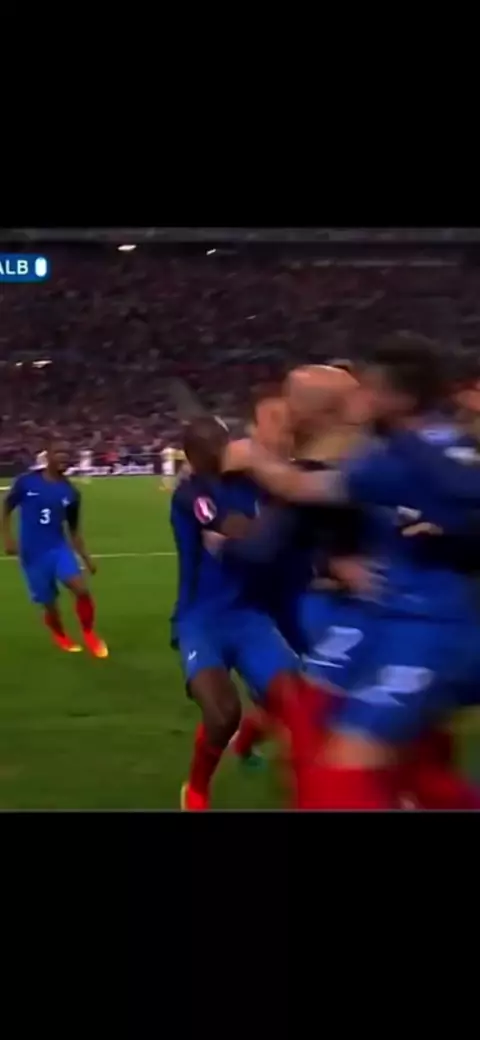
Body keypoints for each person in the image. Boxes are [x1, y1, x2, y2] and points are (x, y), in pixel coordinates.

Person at [223, 336, 480, 809]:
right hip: (393, 620)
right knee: (395, 764)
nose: (358, 396)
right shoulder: (407, 450)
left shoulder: (412, 455)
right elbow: (310, 490)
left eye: (367, 387)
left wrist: (253, 461)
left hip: (430, 631)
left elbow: (289, 509)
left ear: (397, 397)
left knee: (340, 772)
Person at [170, 416, 324, 811]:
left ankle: (265, 758)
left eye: (223, 442)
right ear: (194, 456)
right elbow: (236, 527)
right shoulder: (189, 494)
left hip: (249, 616)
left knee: (295, 706)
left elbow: (298, 488)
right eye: (214, 447)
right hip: (201, 620)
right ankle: (196, 788)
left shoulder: (250, 482)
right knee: (222, 714)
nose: (224, 451)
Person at [2, 440, 108, 659]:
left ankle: (89, 634)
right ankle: (60, 634)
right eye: (59, 452)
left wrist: (86, 559)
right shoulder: (26, 482)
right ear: (48, 455)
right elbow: (6, 508)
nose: (64, 456)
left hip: (58, 549)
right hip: (32, 554)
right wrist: (7, 538)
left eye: (67, 453)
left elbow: (74, 530)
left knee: (81, 590)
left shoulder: (71, 493)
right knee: (49, 603)